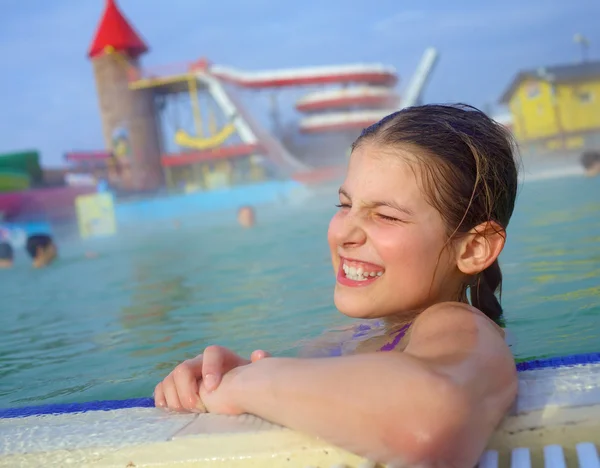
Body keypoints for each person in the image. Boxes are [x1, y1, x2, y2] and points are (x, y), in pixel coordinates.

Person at [154, 104, 519, 466]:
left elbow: (432, 420)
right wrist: (230, 374)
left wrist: (246, 385)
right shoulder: (354, 335)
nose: (344, 232)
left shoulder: (455, 323)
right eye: (344, 205)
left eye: (386, 216)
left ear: (473, 248)